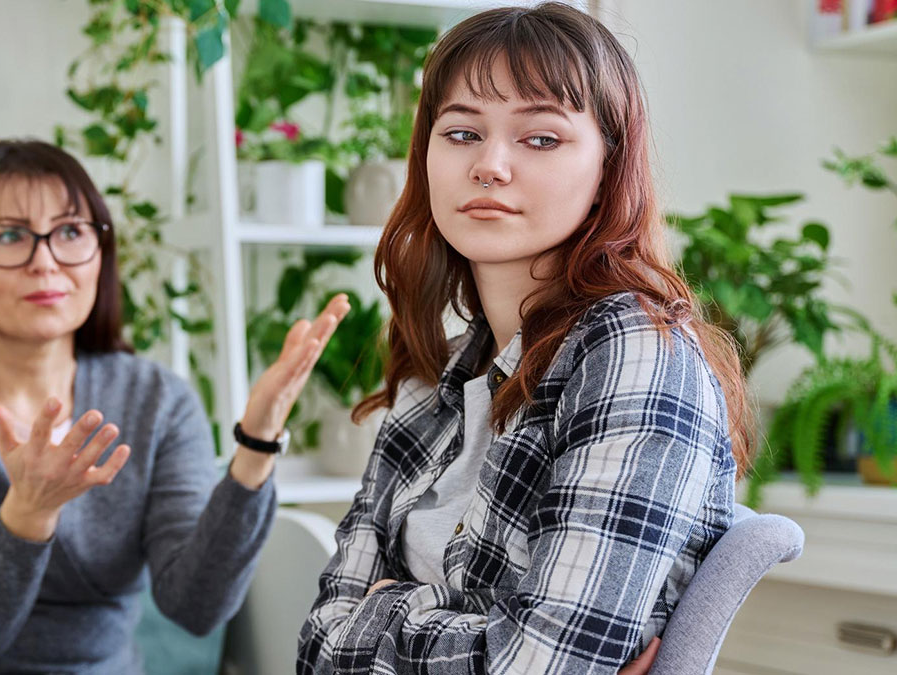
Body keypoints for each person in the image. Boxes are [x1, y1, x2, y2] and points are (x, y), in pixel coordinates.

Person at [297, 3, 753, 673]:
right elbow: (313, 646)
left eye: (541, 138)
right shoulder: (438, 377)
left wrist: (386, 606)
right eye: (460, 133)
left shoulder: (636, 355)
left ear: (608, 169)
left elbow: (539, 665)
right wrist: (464, 626)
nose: (491, 166)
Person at [0, 138, 350, 674]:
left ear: (100, 253)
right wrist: (28, 512)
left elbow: (196, 606)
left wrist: (257, 443)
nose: (45, 262)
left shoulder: (157, 400)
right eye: (9, 236)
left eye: (69, 233)